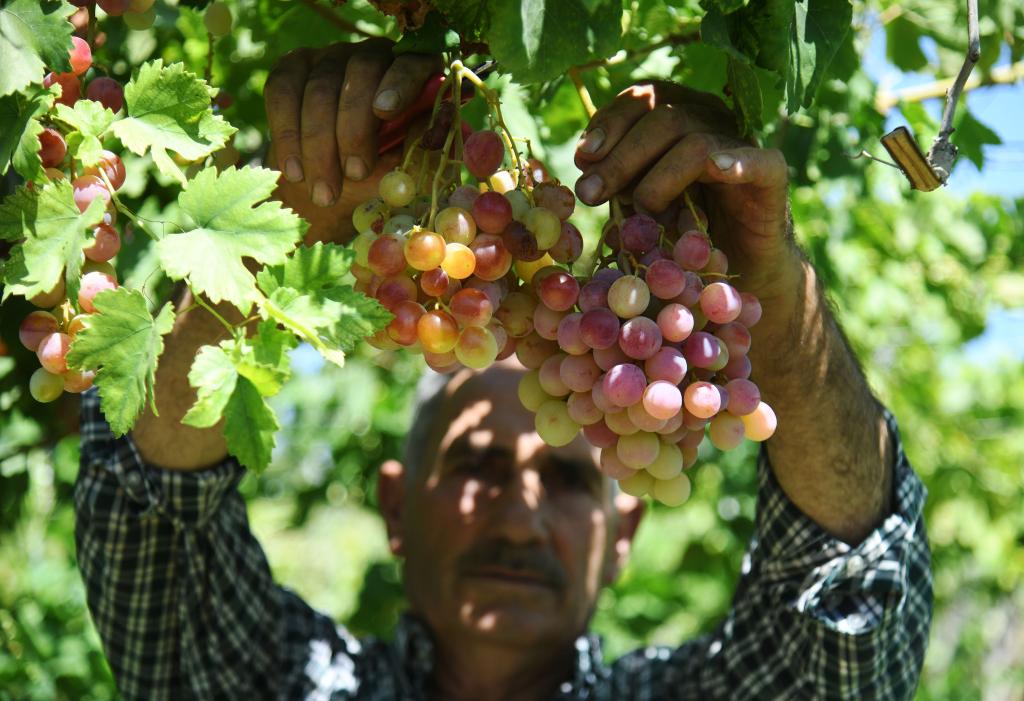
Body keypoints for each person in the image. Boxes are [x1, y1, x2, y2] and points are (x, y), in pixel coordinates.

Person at [74, 41, 933, 700]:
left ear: (623, 535)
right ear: (393, 506)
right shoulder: (293, 683)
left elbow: (852, 623)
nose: (521, 517)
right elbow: (155, 527)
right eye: (476, 464)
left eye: (564, 476)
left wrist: (771, 284)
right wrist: (283, 214)